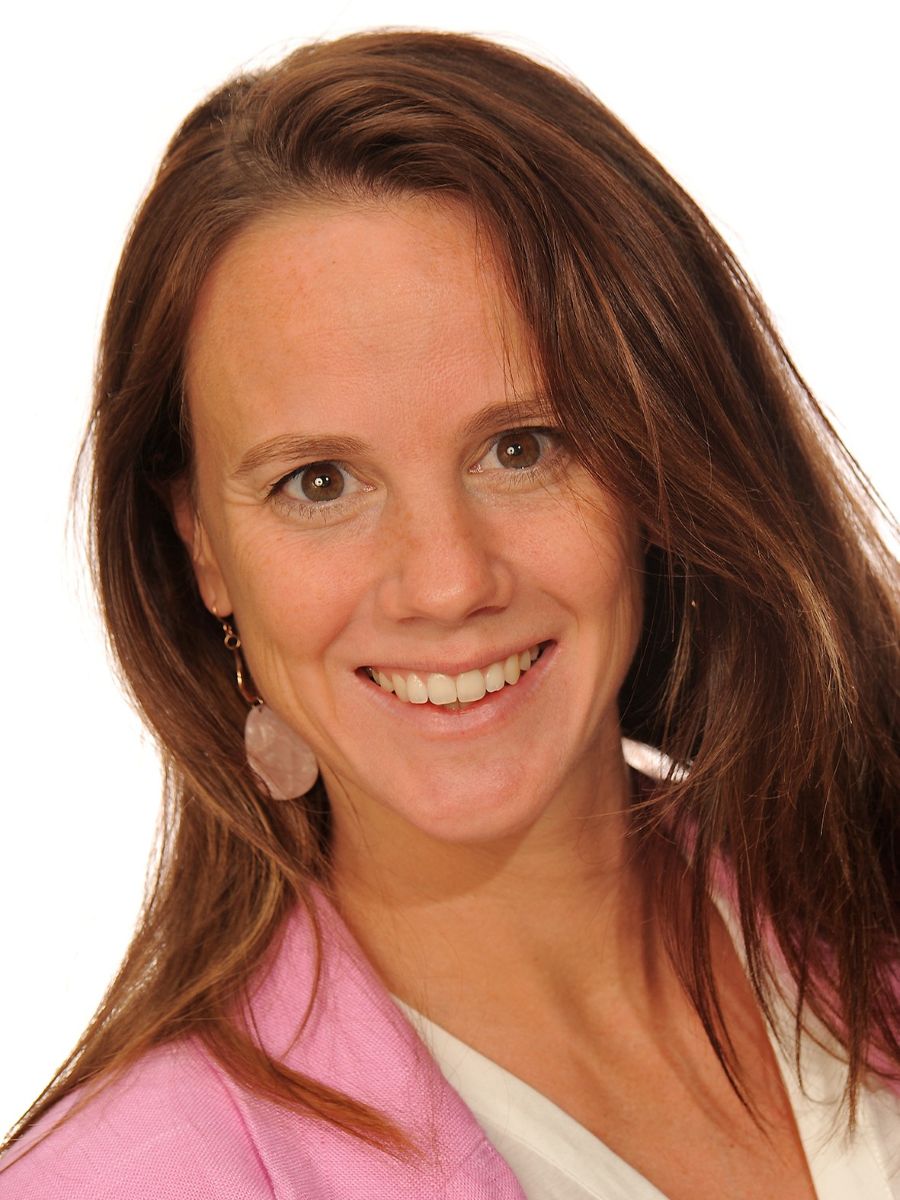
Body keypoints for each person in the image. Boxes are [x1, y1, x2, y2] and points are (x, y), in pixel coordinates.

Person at [1, 28, 897, 1200]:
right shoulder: (119, 1181)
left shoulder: (862, 891)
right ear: (201, 551)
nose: (446, 581)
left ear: (657, 463)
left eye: (522, 448)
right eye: (317, 482)